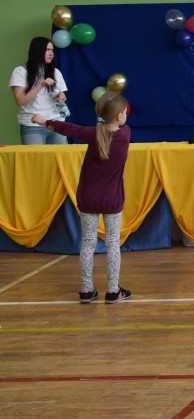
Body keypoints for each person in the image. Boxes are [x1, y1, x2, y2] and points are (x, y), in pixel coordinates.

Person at [31, 93, 131, 303]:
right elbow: (79, 129)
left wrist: (44, 121)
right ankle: (113, 291)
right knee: (112, 244)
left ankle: (86, 289)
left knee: (87, 243)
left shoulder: (92, 134)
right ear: (120, 116)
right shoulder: (125, 134)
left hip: (88, 197)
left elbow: (69, 129)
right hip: (112, 199)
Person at [10, 37, 69, 144]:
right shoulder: (21, 71)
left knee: (60, 155)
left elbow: (61, 93)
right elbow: (20, 100)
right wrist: (41, 85)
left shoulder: (56, 72)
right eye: (47, 50)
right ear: (37, 51)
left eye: (52, 50)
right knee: (36, 155)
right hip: (32, 125)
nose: (51, 54)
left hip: (57, 123)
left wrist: (61, 95)